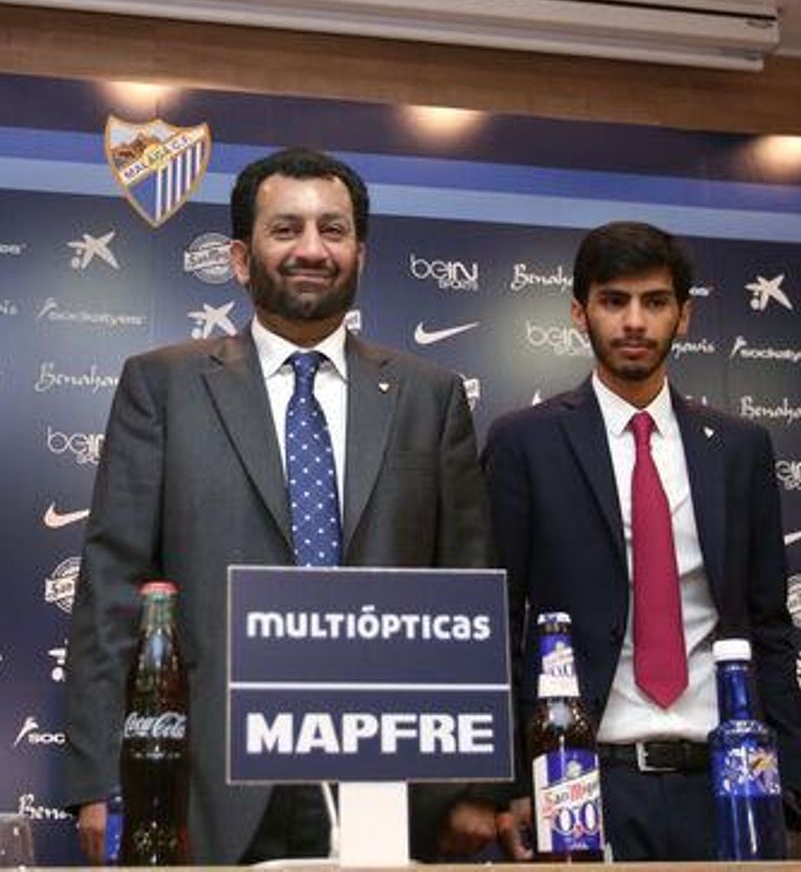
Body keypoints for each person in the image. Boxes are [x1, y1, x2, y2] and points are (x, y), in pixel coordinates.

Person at [62, 147, 499, 864]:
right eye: (285, 229)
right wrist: (98, 778)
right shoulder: (162, 387)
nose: (311, 249)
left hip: (391, 775)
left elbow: (471, 586)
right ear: (240, 257)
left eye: (333, 230)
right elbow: (112, 588)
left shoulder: (431, 396)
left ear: (360, 252)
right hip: (209, 777)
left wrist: (481, 784)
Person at [482, 221, 801, 860]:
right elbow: (498, 621)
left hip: (729, 779)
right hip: (580, 779)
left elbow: (770, 622)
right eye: (614, 300)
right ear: (580, 313)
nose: (634, 321)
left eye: (655, 302)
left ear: (683, 316)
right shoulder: (526, 443)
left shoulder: (741, 449)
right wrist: (512, 786)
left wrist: (790, 783)